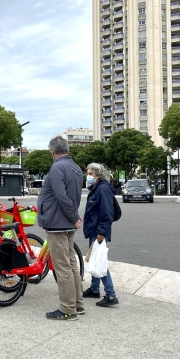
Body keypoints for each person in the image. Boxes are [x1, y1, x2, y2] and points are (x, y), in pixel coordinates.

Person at [37, 136, 84, 321]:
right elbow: (74, 196)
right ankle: (77, 304)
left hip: (57, 222)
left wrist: (73, 217)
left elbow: (60, 196)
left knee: (62, 266)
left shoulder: (57, 167)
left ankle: (67, 308)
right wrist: (74, 216)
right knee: (72, 263)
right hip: (67, 223)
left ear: (52, 151)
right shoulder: (76, 167)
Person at [83, 163, 119, 307]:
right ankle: (94, 288)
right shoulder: (97, 188)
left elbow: (106, 213)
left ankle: (111, 294)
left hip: (98, 231)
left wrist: (101, 232)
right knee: (94, 258)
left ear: (98, 174)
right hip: (95, 229)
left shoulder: (102, 189)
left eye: (90, 173)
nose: (88, 176)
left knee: (100, 261)